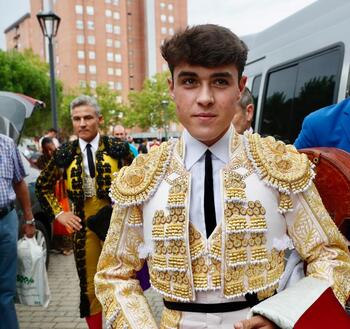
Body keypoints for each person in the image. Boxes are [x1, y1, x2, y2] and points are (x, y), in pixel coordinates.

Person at [95, 24, 350, 329]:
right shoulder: (142, 177)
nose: (205, 98)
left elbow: (331, 257)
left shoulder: (280, 166)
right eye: (190, 81)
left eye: (219, 81)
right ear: (171, 88)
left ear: (240, 87)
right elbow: (114, 274)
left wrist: (283, 315)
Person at [35, 95, 134, 329]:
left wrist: (130, 214)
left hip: (116, 225)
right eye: (77, 119)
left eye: (87, 117)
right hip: (82, 228)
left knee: (121, 281)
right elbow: (42, 186)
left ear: (99, 119)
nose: (82, 123)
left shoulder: (118, 148)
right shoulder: (65, 153)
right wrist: (61, 214)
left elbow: (139, 182)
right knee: (89, 286)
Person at [0, 133, 35, 329]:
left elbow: (19, 182)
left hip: (6, 221)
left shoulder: (6, 143)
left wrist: (29, 218)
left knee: (6, 289)